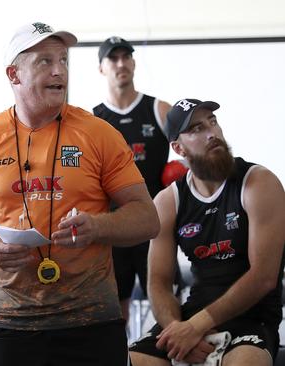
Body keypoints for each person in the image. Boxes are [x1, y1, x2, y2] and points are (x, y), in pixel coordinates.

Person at [0, 22, 160, 366]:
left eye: (64, 60)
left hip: (92, 319)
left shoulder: (99, 134)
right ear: (14, 74)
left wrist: (97, 227)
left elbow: (147, 218)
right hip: (11, 321)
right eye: (45, 61)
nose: (60, 71)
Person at [129, 99, 285, 365]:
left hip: (251, 317)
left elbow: (264, 277)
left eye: (212, 122)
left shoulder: (259, 182)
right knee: (135, 359)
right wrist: (178, 331)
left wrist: (196, 326)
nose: (212, 133)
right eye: (197, 129)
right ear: (178, 147)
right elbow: (158, 282)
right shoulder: (169, 201)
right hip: (193, 317)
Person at [93, 36, 173, 322]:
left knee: (166, 307)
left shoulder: (160, 109)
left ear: (134, 62)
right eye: (113, 58)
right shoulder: (94, 121)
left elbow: (193, 150)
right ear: (101, 68)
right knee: (115, 313)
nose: (121, 63)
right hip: (113, 228)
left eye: (126, 56)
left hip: (156, 226)